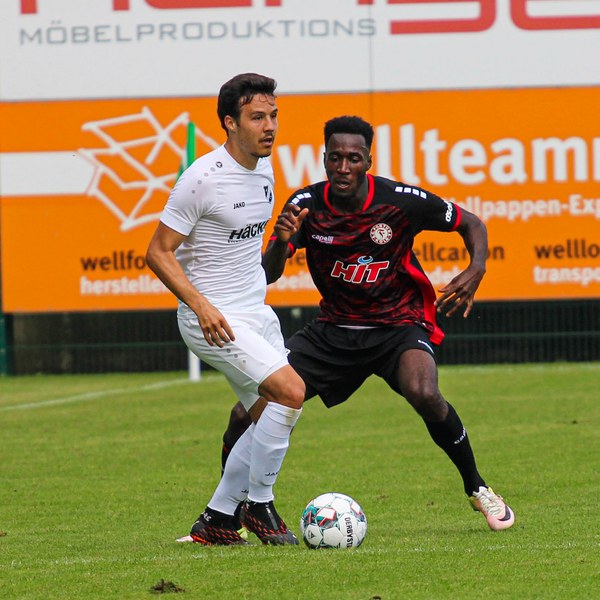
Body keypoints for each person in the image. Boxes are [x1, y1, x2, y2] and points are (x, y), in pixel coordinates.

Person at [220, 115, 515, 532]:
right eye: (335, 158)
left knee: (424, 392)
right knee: (245, 412)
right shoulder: (304, 205)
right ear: (324, 158)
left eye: (353, 158)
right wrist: (283, 242)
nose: (343, 167)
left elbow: (471, 223)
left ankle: (478, 488)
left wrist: (477, 268)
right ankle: (225, 516)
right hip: (333, 332)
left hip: (398, 326)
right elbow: (268, 274)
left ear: (368, 161)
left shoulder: (399, 201)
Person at [146, 73, 305, 546]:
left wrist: (281, 241)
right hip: (212, 320)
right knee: (291, 392)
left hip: (254, 313)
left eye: (273, 115)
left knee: (270, 415)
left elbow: (254, 261)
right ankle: (259, 504)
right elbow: (157, 252)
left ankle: (216, 519)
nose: (269, 126)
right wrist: (200, 305)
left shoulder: (264, 171)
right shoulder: (202, 179)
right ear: (230, 123)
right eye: (257, 117)